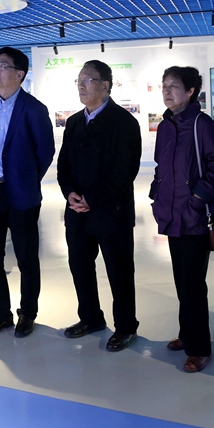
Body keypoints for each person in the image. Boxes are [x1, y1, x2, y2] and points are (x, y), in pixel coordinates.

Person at [57, 60, 141, 352]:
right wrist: (70, 193)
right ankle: (91, 318)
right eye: (79, 81)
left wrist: (91, 199)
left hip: (111, 213)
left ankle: (126, 326)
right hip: (77, 213)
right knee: (80, 267)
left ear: (105, 85)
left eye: (88, 80)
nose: (81, 86)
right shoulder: (74, 122)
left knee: (119, 272)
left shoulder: (124, 122)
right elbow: (63, 165)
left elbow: (124, 172)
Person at [0, 47, 55, 338]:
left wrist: (26, 180)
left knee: (26, 258)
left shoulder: (34, 109)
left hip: (21, 194)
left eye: (3, 66)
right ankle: (1, 314)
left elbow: (45, 152)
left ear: (20, 74)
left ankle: (27, 313)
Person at [150, 66, 214, 373]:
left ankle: (199, 348)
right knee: (181, 279)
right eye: (164, 86)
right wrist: (157, 194)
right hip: (171, 214)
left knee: (192, 283)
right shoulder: (165, 126)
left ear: (191, 91)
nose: (167, 91)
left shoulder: (202, 125)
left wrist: (196, 200)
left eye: (174, 86)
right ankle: (186, 333)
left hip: (194, 216)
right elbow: (160, 165)